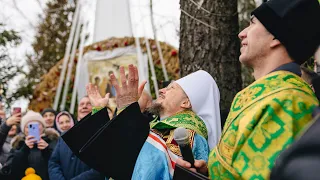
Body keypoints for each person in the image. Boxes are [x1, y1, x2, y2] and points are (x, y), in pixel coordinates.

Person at [176, 0, 320, 179]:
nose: (241, 34)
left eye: (252, 23)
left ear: (275, 37)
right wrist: (210, 171)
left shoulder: (289, 101)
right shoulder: (268, 93)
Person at [64, 64, 221, 179]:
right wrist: (99, 112)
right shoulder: (160, 127)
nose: (161, 90)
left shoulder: (186, 133)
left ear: (186, 103)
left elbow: (145, 169)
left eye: (172, 88)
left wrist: (127, 113)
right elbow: (109, 159)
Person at [1, 111, 59, 180]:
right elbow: (11, 172)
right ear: (24, 130)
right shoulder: (17, 145)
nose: (34, 128)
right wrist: (24, 149)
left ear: (43, 127)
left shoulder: (53, 141)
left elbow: (59, 167)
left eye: (37, 125)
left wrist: (46, 151)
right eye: (29, 126)